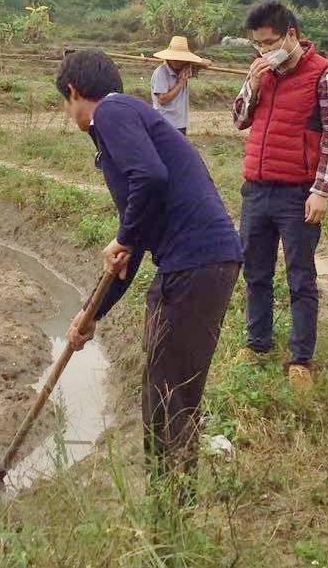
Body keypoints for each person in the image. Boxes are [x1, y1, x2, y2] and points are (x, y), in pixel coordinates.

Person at [59, 50, 244, 484]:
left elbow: (150, 181)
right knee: (169, 392)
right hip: (198, 264)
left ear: (72, 92)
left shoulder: (113, 111)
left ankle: (169, 522)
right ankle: (172, 510)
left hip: (195, 263)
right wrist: (91, 315)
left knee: (167, 399)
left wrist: (123, 237)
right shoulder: (123, 126)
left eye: (64, 104)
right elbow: (133, 248)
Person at [232, 0, 328, 387]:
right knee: (256, 271)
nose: (264, 51)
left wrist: (322, 190)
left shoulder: (324, 76)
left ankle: (300, 358)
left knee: (300, 276)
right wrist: (251, 83)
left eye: (270, 42)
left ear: (291, 35)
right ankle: (258, 343)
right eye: (258, 45)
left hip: (298, 194)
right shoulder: (261, 74)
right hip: (257, 190)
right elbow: (239, 120)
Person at [150, 35, 203, 135]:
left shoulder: (184, 70)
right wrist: (181, 82)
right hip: (165, 123)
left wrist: (191, 64)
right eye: (175, 58)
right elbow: (162, 100)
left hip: (180, 124)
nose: (177, 62)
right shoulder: (161, 72)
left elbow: (207, 63)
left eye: (180, 59)